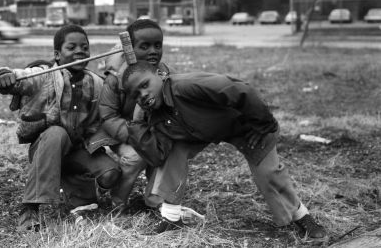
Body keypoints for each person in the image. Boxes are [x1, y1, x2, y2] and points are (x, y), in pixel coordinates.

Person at [121, 60, 327, 239]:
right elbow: (157, 156)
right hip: (202, 133)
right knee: (173, 154)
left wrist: (264, 123)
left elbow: (238, 89)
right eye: (136, 95)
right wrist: (137, 124)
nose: (143, 94)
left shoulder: (185, 86)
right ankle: (171, 217)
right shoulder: (154, 114)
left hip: (245, 125)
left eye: (145, 85)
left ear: (160, 74)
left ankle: (301, 216)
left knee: (269, 173)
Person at [0, 24, 121, 231]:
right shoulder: (44, 75)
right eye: (72, 47)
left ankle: (74, 183)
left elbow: (114, 104)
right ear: (57, 54)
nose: (79, 52)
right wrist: (3, 76)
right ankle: (30, 207)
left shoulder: (96, 83)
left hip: (79, 151)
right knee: (56, 133)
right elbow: (18, 79)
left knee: (111, 174)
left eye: (84, 47)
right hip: (46, 148)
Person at [96, 19, 174, 212]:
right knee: (135, 158)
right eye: (145, 46)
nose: (153, 51)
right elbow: (107, 116)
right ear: (129, 49)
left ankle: (154, 200)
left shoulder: (163, 74)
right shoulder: (116, 78)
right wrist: (133, 135)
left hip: (151, 132)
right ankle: (118, 201)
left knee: (164, 156)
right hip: (123, 134)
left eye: (157, 45)